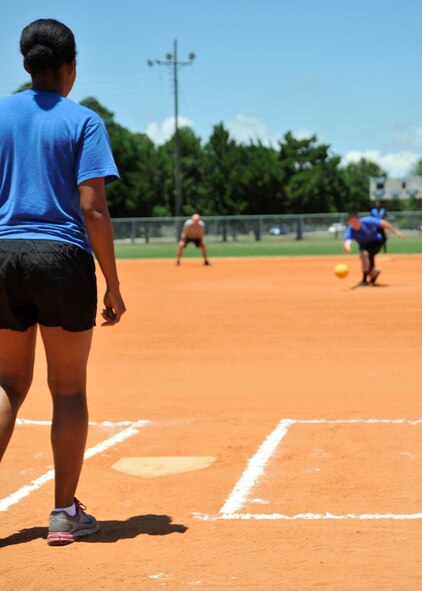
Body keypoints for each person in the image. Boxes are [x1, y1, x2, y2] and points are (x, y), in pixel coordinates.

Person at [0, 19, 126, 545]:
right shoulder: (84, 121)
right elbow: (92, 209)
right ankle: (63, 514)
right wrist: (112, 284)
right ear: (70, 68)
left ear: (27, 65)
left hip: (2, 255)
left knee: (7, 384)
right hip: (61, 257)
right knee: (68, 387)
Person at [343, 212, 403, 286]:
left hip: (376, 242)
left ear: (359, 220)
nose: (354, 223)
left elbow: (383, 223)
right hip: (364, 246)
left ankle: (364, 281)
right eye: (351, 222)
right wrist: (347, 247)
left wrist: (396, 232)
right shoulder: (350, 229)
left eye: (355, 221)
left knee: (364, 254)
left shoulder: (367, 221)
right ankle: (374, 273)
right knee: (366, 259)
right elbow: (347, 241)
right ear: (349, 222)